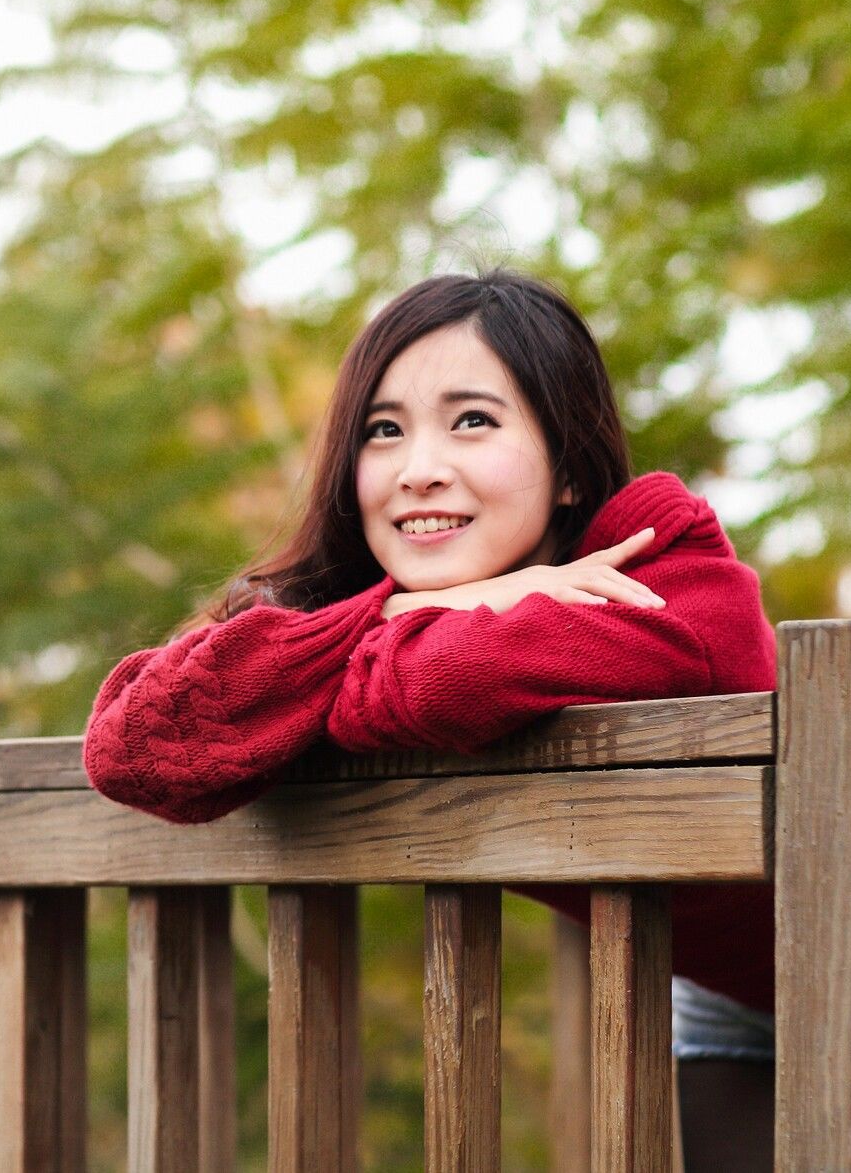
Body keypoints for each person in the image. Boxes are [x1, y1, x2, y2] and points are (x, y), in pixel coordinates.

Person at [82, 269, 776, 1168]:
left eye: (473, 420)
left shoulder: (662, 568)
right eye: (384, 430)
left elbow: (444, 687)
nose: (419, 470)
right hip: (727, 992)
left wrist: (379, 644)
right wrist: (416, 607)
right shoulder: (395, 598)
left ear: (568, 466)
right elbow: (134, 744)